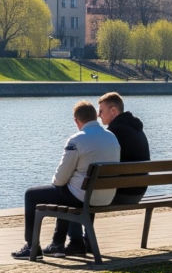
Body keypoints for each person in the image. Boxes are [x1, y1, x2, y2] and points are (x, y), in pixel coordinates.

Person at [12, 100, 120, 260]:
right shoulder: (111, 137)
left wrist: (59, 183)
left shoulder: (77, 140)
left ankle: (31, 246)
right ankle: (58, 244)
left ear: (77, 121)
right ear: (95, 117)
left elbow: (60, 179)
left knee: (32, 194)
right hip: (105, 196)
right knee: (66, 192)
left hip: (82, 196)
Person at [61, 91, 151, 256]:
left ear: (114, 111)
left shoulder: (114, 133)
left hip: (122, 194)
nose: (98, 115)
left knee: (79, 191)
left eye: (101, 111)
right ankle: (85, 240)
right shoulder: (136, 128)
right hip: (138, 191)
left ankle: (77, 242)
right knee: (94, 185)